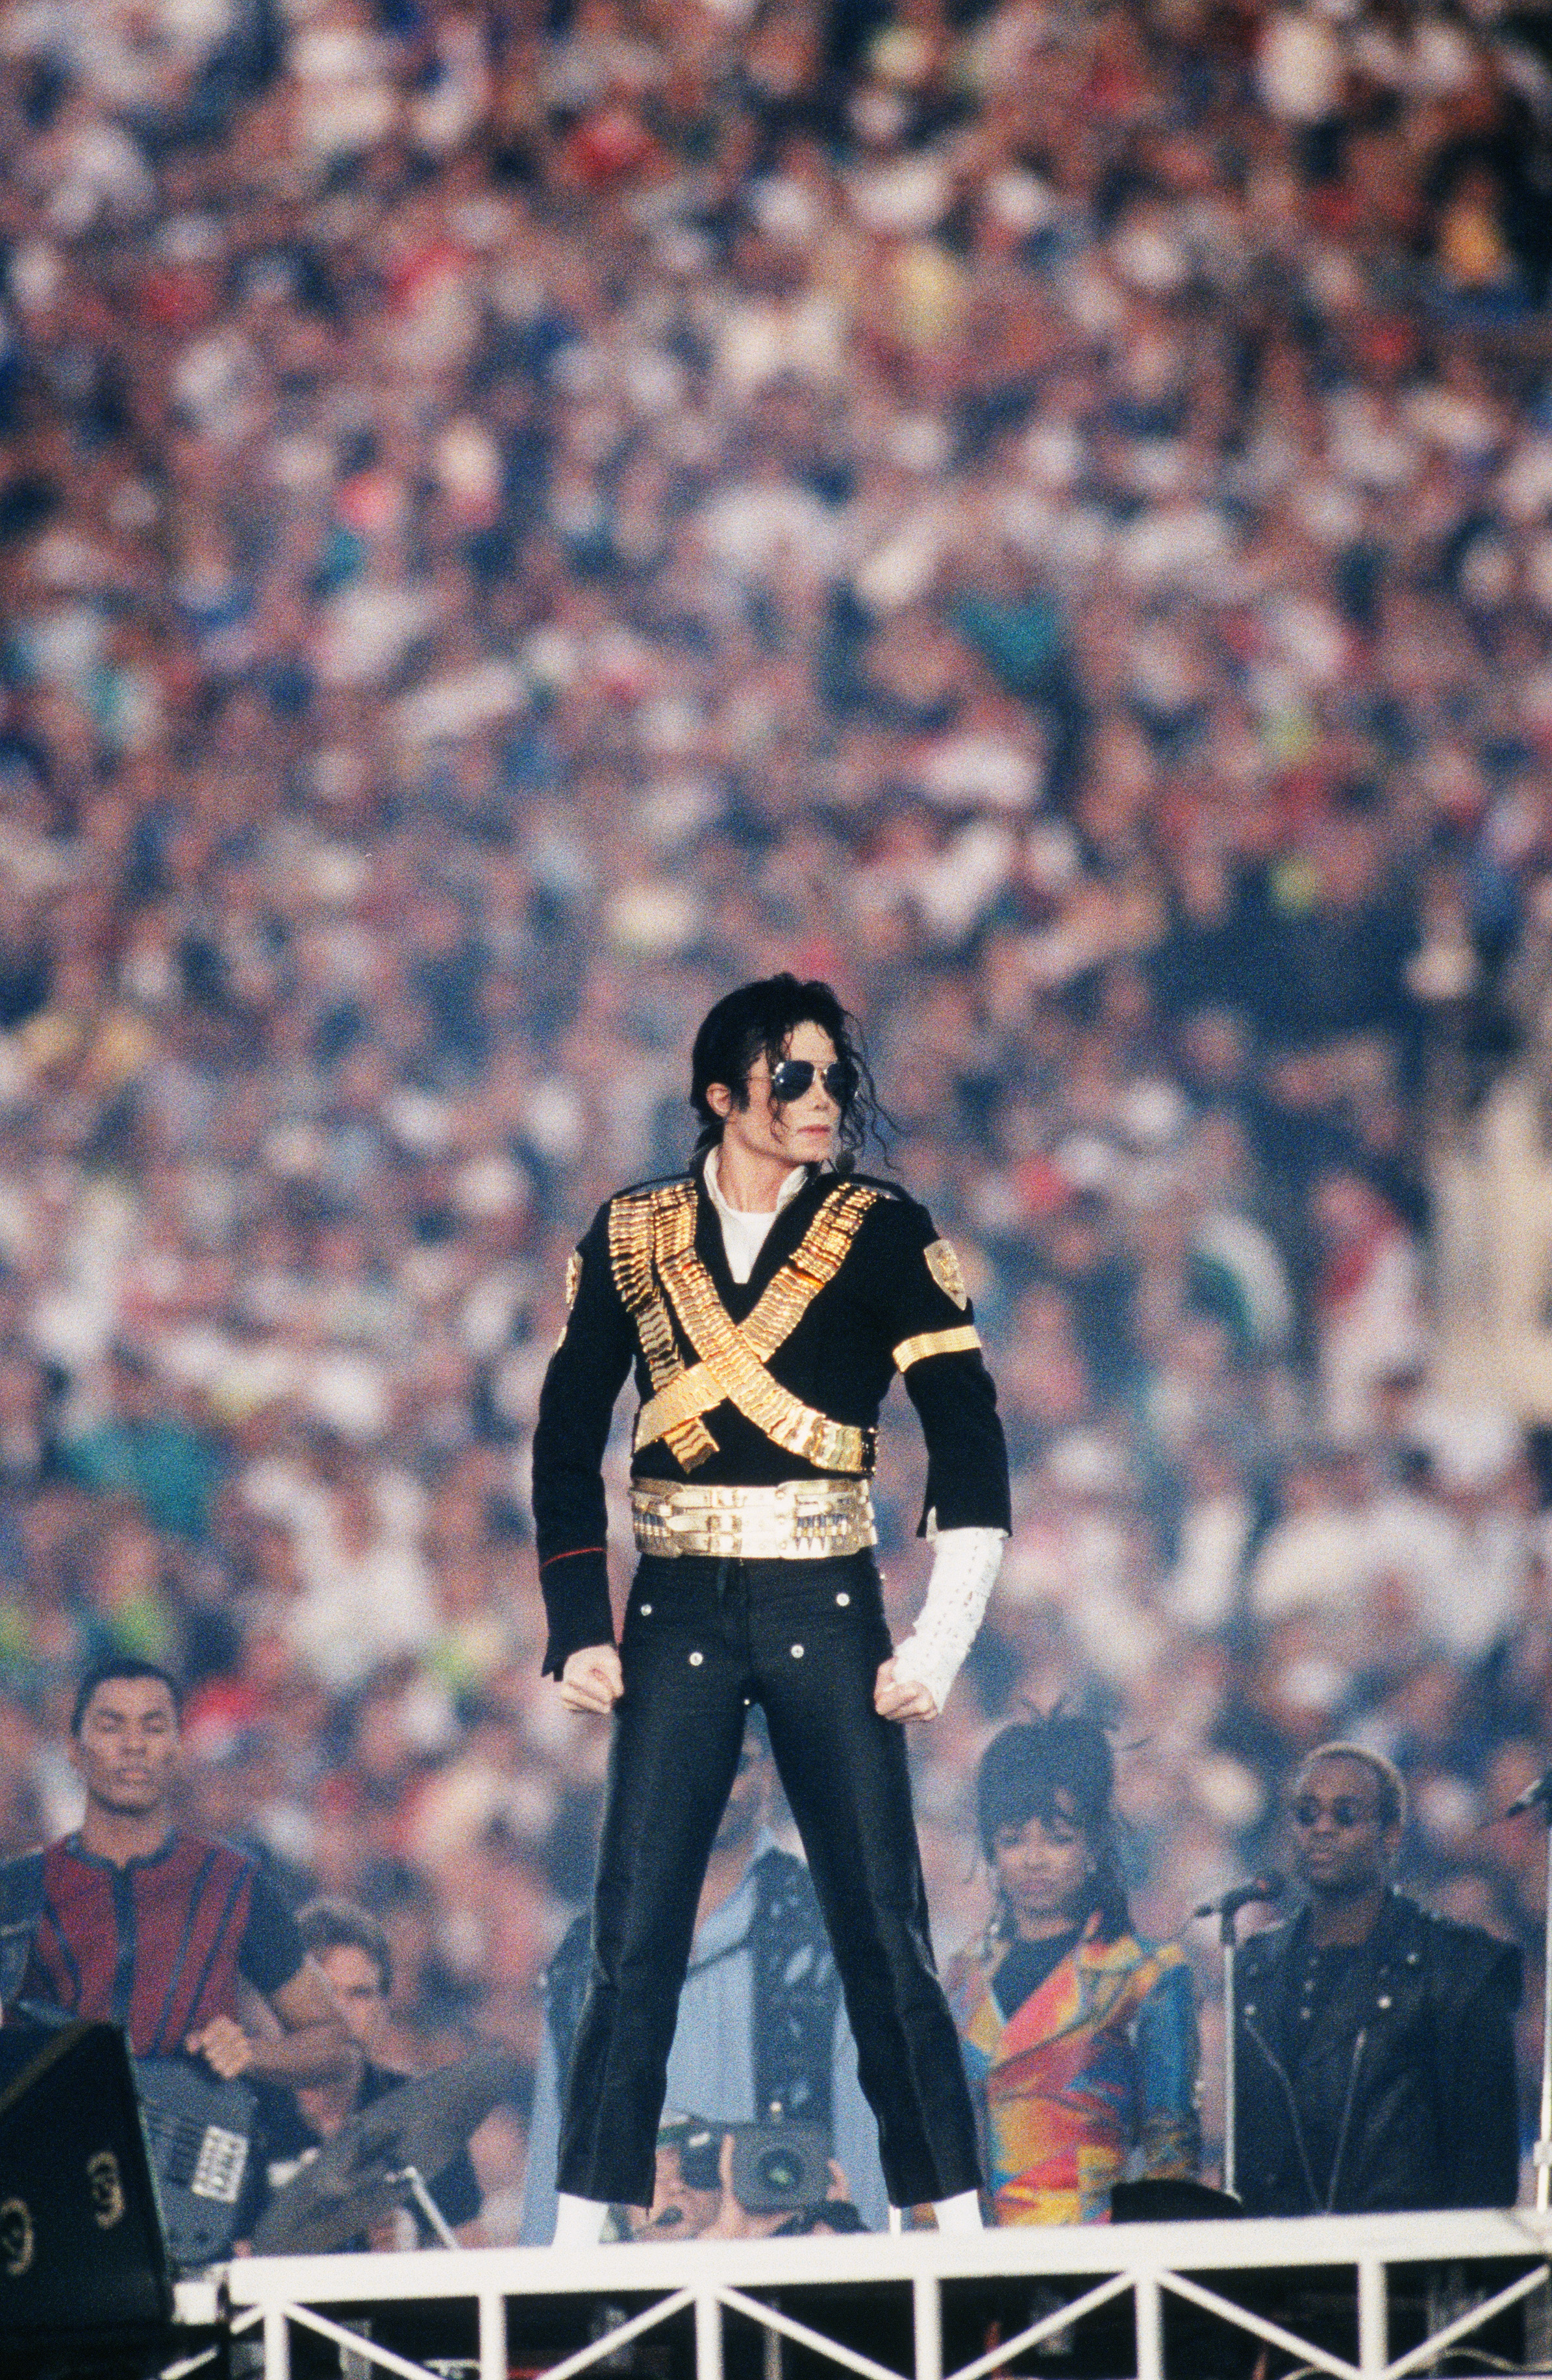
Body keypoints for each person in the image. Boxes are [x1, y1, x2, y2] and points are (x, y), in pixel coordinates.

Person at [531, 972, 1011, 2240]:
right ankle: (584, 2228)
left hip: (826, 1594)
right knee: (632, 1936)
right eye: (791, 1074)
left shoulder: (886, 1228)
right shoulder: (627, 1232)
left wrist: (941, 1639)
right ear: (719, 1093)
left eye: (831, 1074)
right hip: (675, 1605)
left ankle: (948, 2223)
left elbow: (968, 1439)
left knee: (882, 1935)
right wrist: (579, 1621)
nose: (821, 1097)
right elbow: (564, 1431)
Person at [519, 1712, 888, 2240]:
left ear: (772, 1771)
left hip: (791, 2290)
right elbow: (552, 2190)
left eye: (733, 1762)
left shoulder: (832, 1933)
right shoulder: (589, 1953)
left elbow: (866, 2165)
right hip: (636, 2302)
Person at [0, 1656, 349, 2084]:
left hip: (192, 2139)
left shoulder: (234, 1882)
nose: (133, 1744)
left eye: (154, 1726)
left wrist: (255, 2053)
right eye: (111, 1726)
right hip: (50, 2141)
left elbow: (336, 2046)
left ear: (179, 1749)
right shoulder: (16, 1889)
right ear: (74, 1750)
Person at [1234, 1741, 1522, 2214]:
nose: (1322, 1828)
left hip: (1401, 2267)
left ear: (1391, 1834)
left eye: (1345, 1815)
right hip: (1277, 2265)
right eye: (1306, 1815)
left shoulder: (1458, 1965)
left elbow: (1486, 2167)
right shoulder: (1254, 1966)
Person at [944, 1713, 1201, 2224]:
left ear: (1094, 1844)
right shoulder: (962, 1978)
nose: (1033, 1859)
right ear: (991, 1849)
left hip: (1097, 2260)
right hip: (975, 2266)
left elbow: (1171, 2149)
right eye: (1013, 1839)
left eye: (1058, 1838)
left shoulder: (1147, 1973)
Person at [249, 1899, 484, 2249]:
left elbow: (478, 2259)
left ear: (384, 2008)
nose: (341, 2013)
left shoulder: (427, 2113)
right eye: (324, 1992)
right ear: (282, 2004)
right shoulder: (241, 2111)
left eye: (360, 1994)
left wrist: (413, 2247)